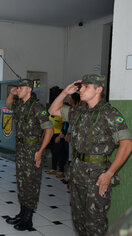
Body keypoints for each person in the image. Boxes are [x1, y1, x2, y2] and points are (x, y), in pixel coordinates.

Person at [48, 74, 132, 236]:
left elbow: (127, 144)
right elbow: (53, 110)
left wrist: (109, 173)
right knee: (78, 220)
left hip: (97, 175)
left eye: (86, 87)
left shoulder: (109, 113)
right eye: (81, 87)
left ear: (98, 89)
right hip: (78, 172)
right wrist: (65, 92)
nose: (81, 90)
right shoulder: (79, 110)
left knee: (94, 223)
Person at [5, 79, 53, 231]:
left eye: (19, 88)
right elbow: (8, 105)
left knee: (31, 184)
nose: (17, 90)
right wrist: (11, 94)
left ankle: (28, 219)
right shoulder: (20, 105)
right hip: (21, 148)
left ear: (28, 89)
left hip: (32, 149)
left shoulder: (37, 107)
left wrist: (40, 152)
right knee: (22, 183)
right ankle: (22, 213)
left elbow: (49, 130)